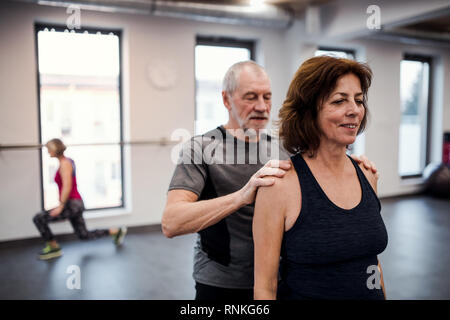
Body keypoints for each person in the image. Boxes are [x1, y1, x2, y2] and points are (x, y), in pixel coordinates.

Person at [162, 60, 378, 300]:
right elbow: (172, 222)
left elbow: (325, 154)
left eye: (267, 97)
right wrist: (240, 197)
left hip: (280, 280)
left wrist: (352, 164)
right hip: (222, 283)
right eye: (251, 97)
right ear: (226, 100)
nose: (262, 106)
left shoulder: (284, 146)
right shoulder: (200, 148)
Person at [253, 55, 388, 300]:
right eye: (339, 101)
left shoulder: (368, 174)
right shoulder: (279, 186)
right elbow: (265, 286)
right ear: (309, 111)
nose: (354, 111)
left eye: (358, 101)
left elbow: (373, 263)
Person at [33, 138, 127, 260]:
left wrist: (61, 206)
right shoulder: (68, 161)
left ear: (55, 150)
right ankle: (116, 231)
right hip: (75, 203)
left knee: (39, 218)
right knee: (84, 235)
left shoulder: (65, 164)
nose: (48, 152)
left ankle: (53, 247)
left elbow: (67, 186)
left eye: (49, 149)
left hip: (72, 204)